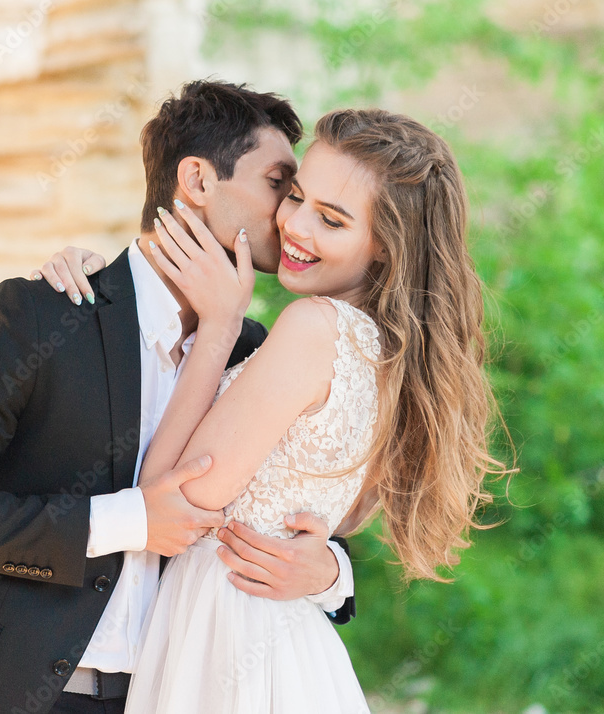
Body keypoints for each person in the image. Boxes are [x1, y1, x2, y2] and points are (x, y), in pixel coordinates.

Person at [0, 80, 358, 714]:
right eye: (278, 185)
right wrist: (129, 519)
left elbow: (295, 518)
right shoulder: (44, 314)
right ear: (198, 180)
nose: (290, 216)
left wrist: (329, 574)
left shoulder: (253, 353)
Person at [40, 108, 510, 713]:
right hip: (272, 634)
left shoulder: (314, 328)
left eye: (332, 220)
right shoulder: (391, 353)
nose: (295, 226)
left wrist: (218, 327)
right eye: (295, 197)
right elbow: (330, 526)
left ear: (387, 247)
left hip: (229, 632)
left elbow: (168, 496)